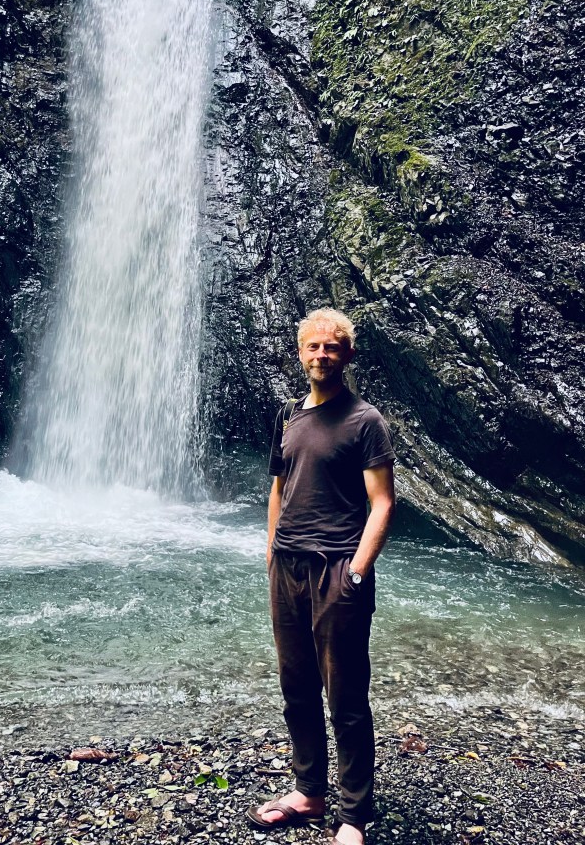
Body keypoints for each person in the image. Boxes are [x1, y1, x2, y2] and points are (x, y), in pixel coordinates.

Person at [246, 307, 396, 845]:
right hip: (288, 568)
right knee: (298, 687)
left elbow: (382, 504)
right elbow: (278, 491)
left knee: (347, 696)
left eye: (332, 347)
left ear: (347, 355)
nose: (321, 355)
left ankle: (354, 814)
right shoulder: (289, 418)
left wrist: (357, 572)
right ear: (300, 352)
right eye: (313, 346)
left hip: (338, 570)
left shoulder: (365, 421)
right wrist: (270, 554)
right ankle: (309, 790)